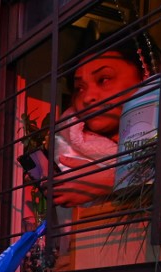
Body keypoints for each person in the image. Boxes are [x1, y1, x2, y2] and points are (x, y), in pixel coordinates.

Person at [53, 36, 150, 207]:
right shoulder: (67, 152)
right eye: (80, 88)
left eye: (104, 79)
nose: (88, 97)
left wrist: (111, 180)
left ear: (144, 76)